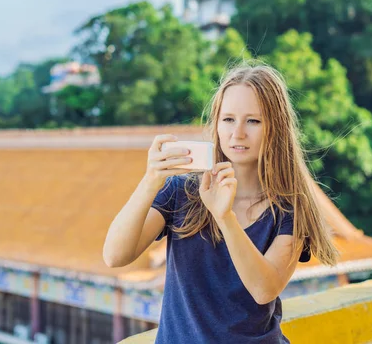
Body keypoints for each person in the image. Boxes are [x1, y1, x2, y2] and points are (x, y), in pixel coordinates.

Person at [103, 64, 339, 343]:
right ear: (215, 123)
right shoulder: (183, 192)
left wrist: (225, 217)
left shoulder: (290, 208)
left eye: (253, 121)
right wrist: (150, 181)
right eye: (228, 119)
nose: (237, 133)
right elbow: (115, 256)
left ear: (276, 127)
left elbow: (264, 289)